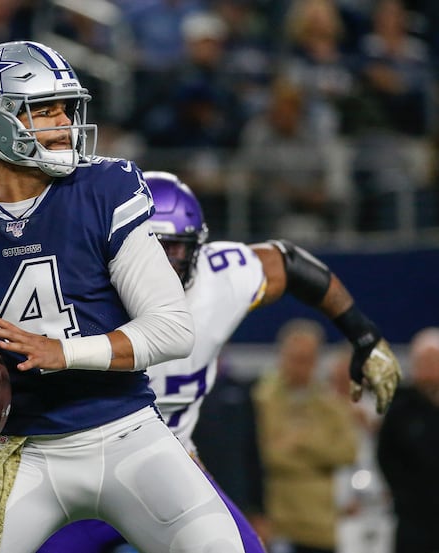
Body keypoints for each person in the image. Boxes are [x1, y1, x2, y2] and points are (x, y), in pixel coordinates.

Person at [0, 40, 248, 553]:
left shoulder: (105, 187)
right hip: (20, 451)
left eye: (66, 107)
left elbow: (172, 328)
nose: (64, 122)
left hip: (126, 432)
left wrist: (64, 353)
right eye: (45, 111)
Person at [36, 171, 402, 553]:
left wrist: (364, 336)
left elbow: (290, 264)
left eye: (172, 249)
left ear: (197, 248)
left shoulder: (219, 277)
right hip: (84, 467)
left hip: (174, 468)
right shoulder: (73, 286)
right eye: (147, 247)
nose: (158, 265)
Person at [253, 318, 359, 553]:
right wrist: (317, 460)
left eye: (307, 359)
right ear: (282, 356)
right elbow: (264, 455)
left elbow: (348, 452)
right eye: (295, 358)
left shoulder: (331, 405)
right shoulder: (261, 400)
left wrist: (300, 442)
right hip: (277, 521)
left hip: (320, 526)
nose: (300, 366)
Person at [377, 327, 439, 553]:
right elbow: (385, 455)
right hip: (413, 515)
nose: (428, 369)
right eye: (423, 362)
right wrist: (403, 495)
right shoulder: (401, 408)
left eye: (433, 361)